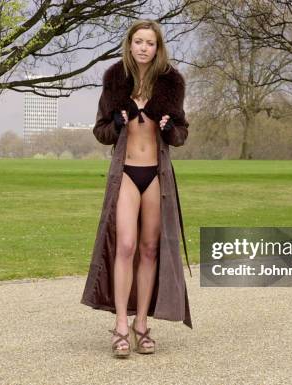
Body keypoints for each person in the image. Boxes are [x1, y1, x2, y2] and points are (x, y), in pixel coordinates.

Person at [80, 19, 193, 358]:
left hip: (156, 176)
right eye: (138, 41)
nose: (144, 47)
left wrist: (171, 127)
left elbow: (181, 134)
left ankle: (142, 324)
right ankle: (119, 326)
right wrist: (115, 124)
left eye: (150, 43)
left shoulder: (171, 83)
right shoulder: (115, 80)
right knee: (125, 245)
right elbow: (100, 131)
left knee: (148, 249)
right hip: (127, 173)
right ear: (129, 44)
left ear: (158, 48)